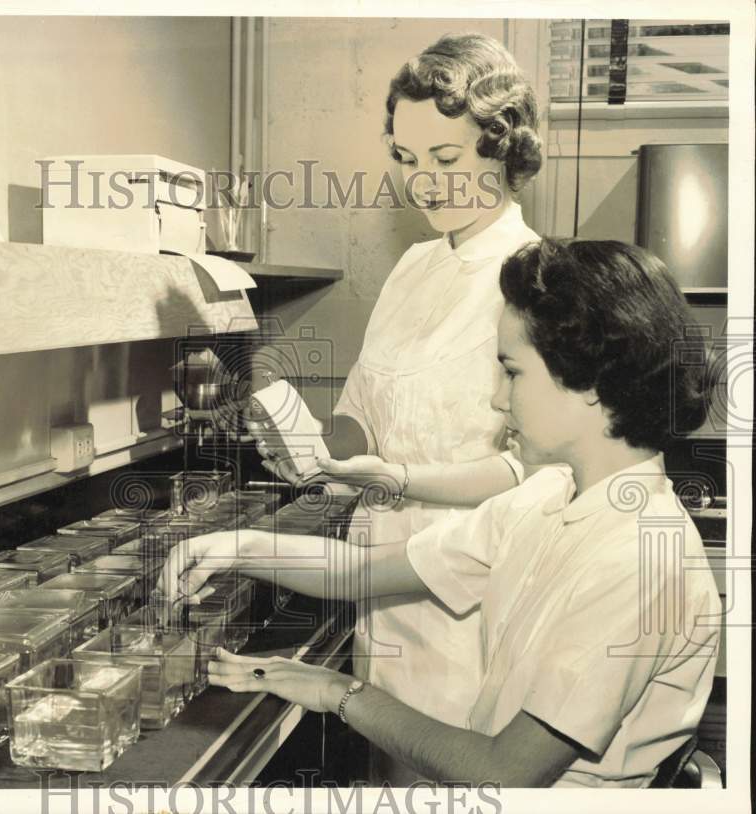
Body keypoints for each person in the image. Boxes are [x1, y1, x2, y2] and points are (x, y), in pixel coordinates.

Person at [163, 239, 721, 788]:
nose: (497, 399)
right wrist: (238, 546)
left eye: (512, 371)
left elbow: (503, 772)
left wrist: (337, 691)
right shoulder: (547, 497)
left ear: (591, 382)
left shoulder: (638, 561)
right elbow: (361, 571)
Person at [250, 32, 544, 780]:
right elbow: (365, 413)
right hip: (382, 585)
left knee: (458, 771)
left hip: (473, 594)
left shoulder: (535, 277)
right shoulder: (414, 266)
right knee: (393, 768)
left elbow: (532, 468)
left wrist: (396, 477)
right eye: (407, 160)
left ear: (501, 146)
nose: (425, 184)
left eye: (446, 160)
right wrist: (309, 446)